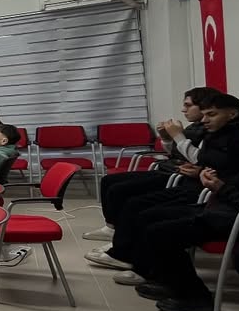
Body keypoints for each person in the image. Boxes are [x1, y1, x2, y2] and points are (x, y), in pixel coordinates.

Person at [118, 97, 239, 311]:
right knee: (149, 217)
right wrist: (210, 177)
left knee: (161, 232)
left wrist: (221, 187)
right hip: (222, 207)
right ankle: (169, 280)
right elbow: (237, 181)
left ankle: (195, 297)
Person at [87, 93, 239, 275]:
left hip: (208, 194)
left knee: (139, 208)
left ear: (232, 114)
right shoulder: (209, 131)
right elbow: (183, 156)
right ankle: (124, 246)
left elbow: (210, 163)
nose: (183, 110)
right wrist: (168, 140)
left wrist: (185, 148)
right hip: (191, 181)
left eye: (210, 114)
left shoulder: (236, 137)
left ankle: (130, 256)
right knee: (126, 196)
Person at [84, 87, 218, 242]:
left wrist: (177, 135)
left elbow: (197, 159)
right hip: (170, 168)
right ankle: (111, 227)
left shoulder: (210, 132)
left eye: (188, 105)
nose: (183, 110)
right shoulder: (193, 127)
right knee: (108, 180)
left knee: (120, 191)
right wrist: (166, 137)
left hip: (178, 176)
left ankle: (121, 232)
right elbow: (175, 153)